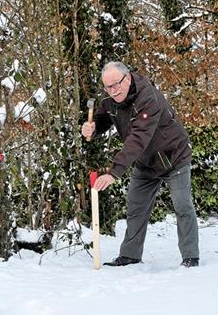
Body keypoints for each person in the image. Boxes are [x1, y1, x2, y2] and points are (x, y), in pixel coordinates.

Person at [81, 61, 200, 267]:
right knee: (135, 207)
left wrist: (114, 172)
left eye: (116, 84)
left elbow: (138, 138)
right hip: (146, 162)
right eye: (107, 87)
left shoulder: (148, 98)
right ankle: (130, 256)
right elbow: (102, 118)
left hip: (174, 157)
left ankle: (190, 256)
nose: (112, 90)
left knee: (182, 205)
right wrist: (92, 129)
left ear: (127, 79)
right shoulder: (111, 100)